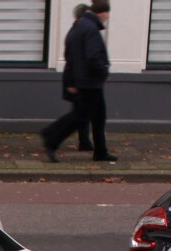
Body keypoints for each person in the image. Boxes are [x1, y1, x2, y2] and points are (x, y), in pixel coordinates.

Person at [40, 1, 115, 162]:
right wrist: (103, 70)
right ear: (103, 12)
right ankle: (51, 138)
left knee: (98, 117)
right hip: (90, 82)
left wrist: (72, 80)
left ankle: (101, 151)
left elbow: (71, 55)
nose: (108, 17)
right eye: (108, 13)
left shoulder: (79, 26)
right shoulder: (91, 29)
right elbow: (93, 56)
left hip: (84, 80)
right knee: (80, 116)